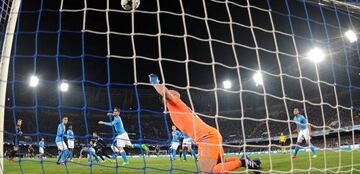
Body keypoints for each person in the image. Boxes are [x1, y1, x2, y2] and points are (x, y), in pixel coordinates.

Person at [149, 74, 261, 174]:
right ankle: (248, 161)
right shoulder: (174, 108)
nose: (171, 91)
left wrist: (154, 82)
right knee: (220, 165)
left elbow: (165, 93)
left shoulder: (175, 102)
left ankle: (242, 162)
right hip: (210, 135)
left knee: (209, 172)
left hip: (206, 138)